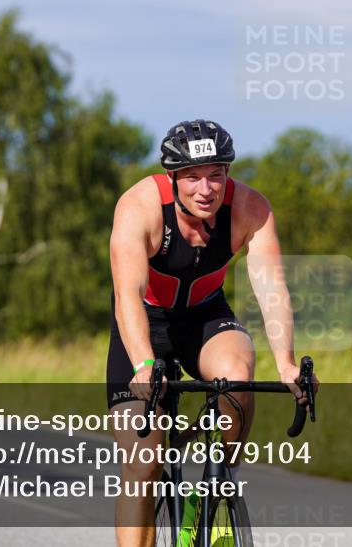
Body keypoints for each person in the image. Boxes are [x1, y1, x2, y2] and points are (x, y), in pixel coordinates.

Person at [107, 119, 317, 547]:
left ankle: (221, 486)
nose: (207, 189)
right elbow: (127, 295)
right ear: (172, 177)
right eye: (193, 177)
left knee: (237, 376)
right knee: (143, 464)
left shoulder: (251, 209)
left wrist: (287, 363)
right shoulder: (139, 207)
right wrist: (145, 364)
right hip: (146, 322)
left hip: (206, 316)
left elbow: (272, 288)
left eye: (217, 174)